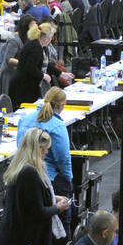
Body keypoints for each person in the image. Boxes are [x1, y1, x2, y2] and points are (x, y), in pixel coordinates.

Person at [17, 88, 74, 235]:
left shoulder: (25, 120)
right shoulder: (57, 125)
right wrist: (68, 179)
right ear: (61, 105)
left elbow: (19, 147)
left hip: (25, 176)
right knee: (63, 221)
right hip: (51, 177)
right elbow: (63, 158)